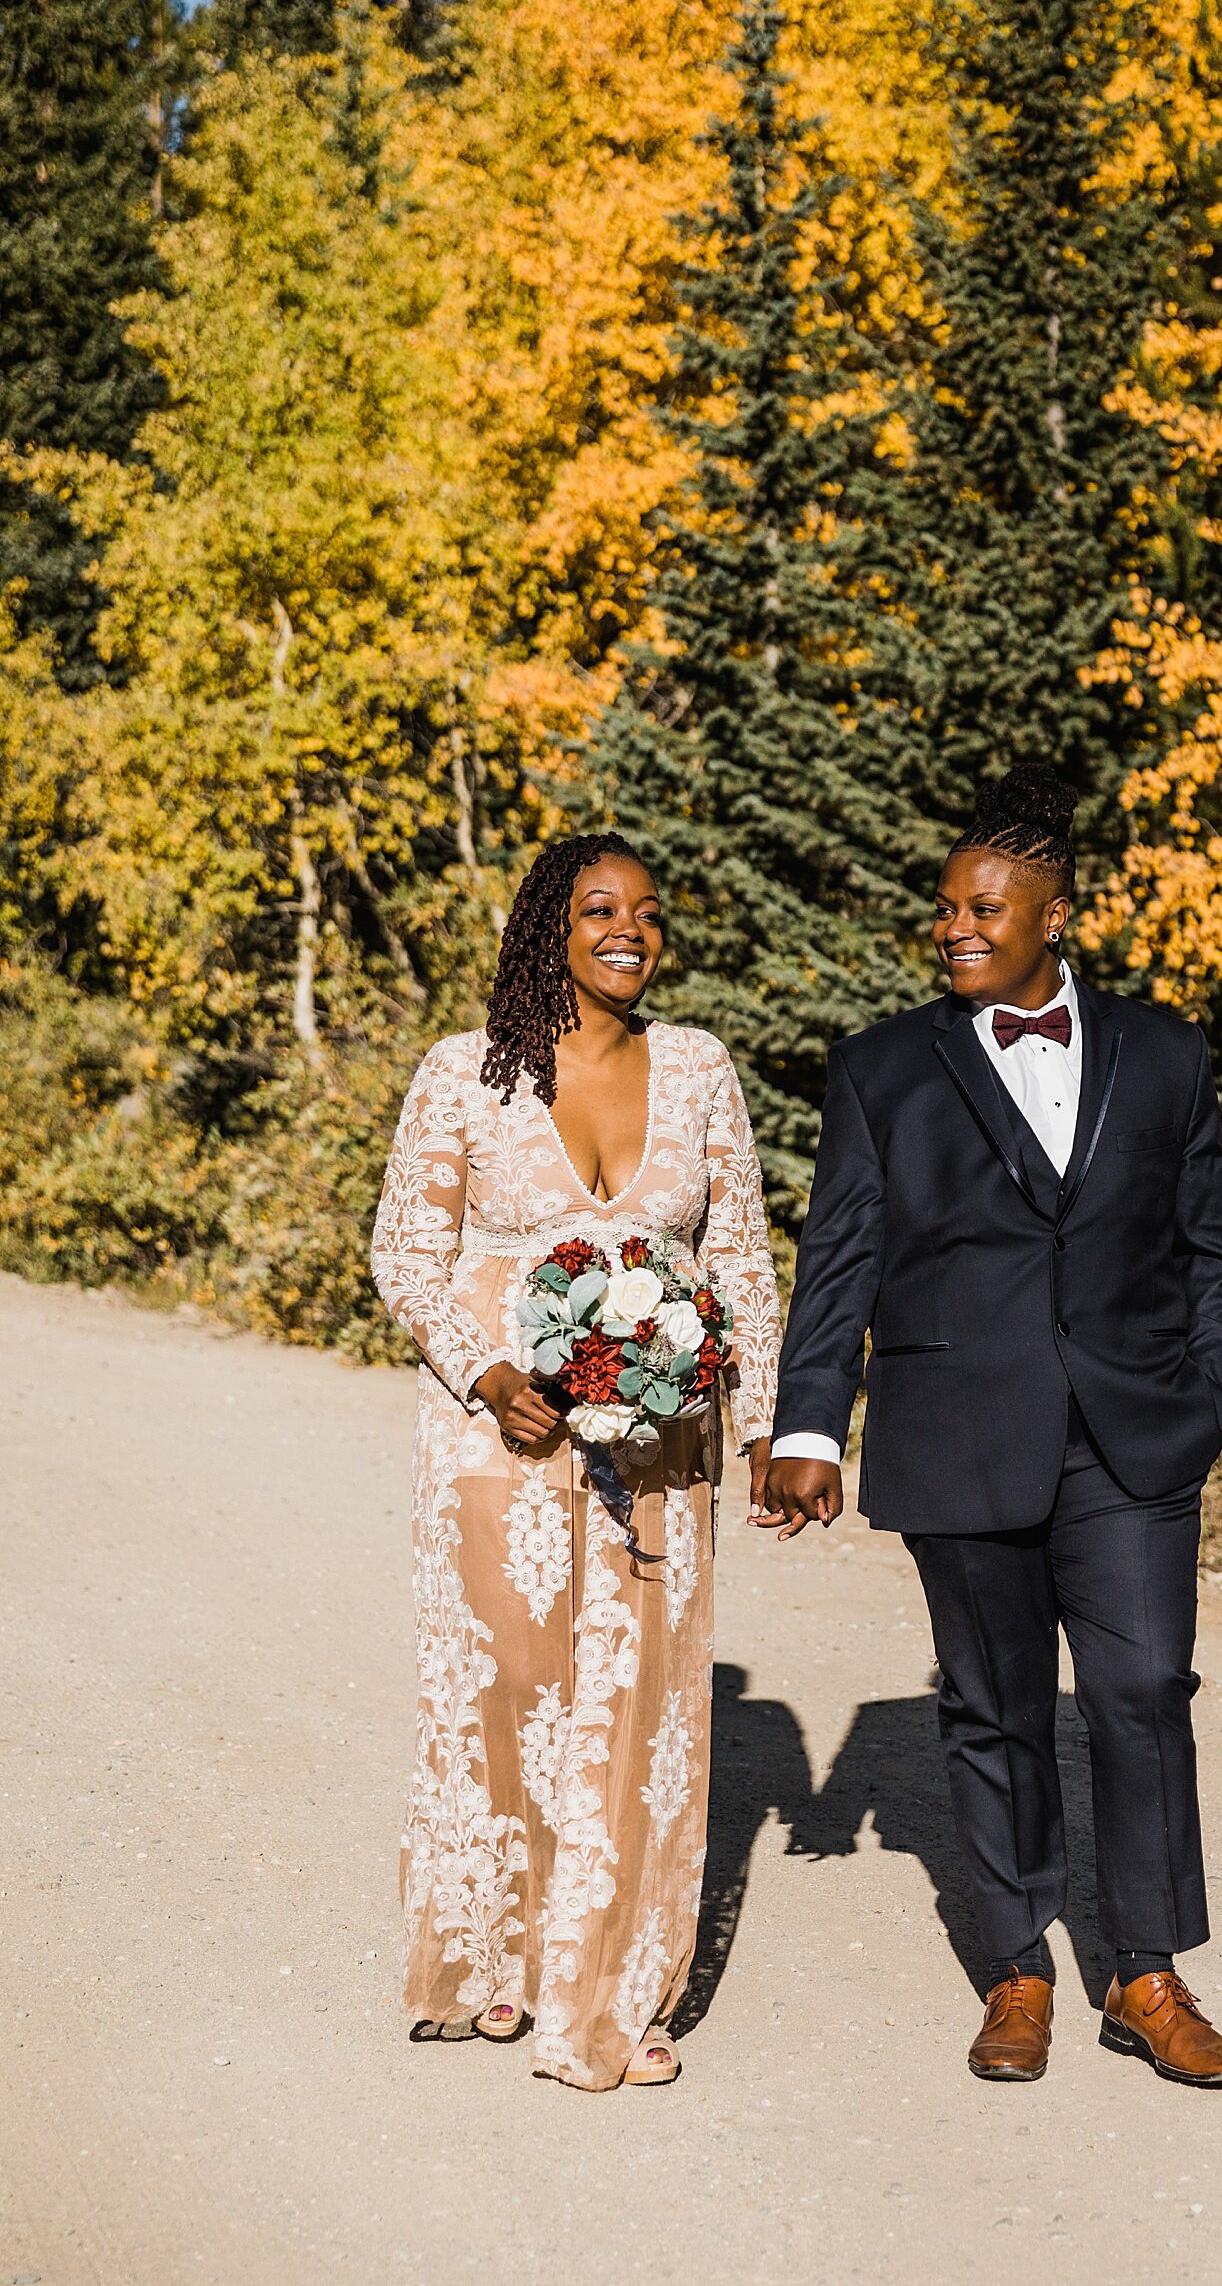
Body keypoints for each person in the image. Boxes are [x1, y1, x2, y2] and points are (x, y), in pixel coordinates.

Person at [760, 764, 1222, 2088]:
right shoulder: (882, 1070)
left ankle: (1146, 1973)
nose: (957, 926)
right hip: (960, 1430)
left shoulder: (1164, 1053)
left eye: (988, 905)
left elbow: (1216, 1251)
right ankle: (1018, 1968)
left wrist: (1206, 1395)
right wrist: (810, 1423)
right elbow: (841, 1260)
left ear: (1057, 918)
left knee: (1146, 1695)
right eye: (946, 907)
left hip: (1136, 1435)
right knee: (994, 1709)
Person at [371, 831, 780, 2091]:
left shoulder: (701, 1068)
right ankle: (501, 1956)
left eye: (650, 912)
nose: (629, 930)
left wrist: (765, 1427)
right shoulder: (463, 1073)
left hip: (662, 1449)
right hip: (500, 1437)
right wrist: (492, 1378)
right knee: (510, 1690)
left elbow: (746, 1262)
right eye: (600, 908)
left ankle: (610, 1977)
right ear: (550, 924)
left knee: (642, 1709)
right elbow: (405, 1254)